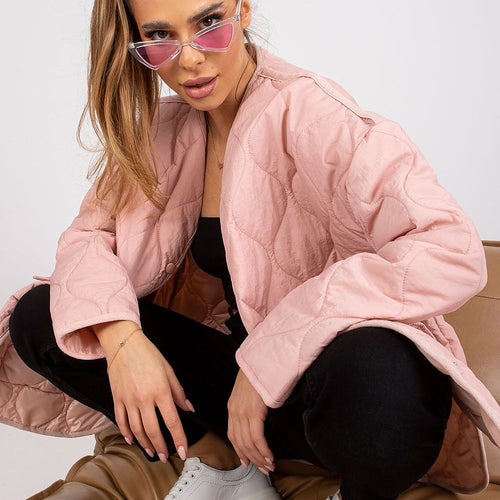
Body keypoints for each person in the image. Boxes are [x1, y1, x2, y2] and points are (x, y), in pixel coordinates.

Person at [2, 0, 500, 499]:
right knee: (40, 315)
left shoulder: (318, 116)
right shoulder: (161, 132)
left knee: (383, 372)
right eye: (160, 36)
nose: (189, 58)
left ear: (241, 10)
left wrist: (268, 358)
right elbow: (86, 241)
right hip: (232, 399)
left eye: (208, 23)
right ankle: (220, 465)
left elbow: (450, 251)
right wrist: (124, 342)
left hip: (328, 398)